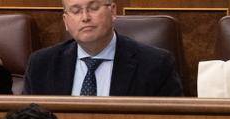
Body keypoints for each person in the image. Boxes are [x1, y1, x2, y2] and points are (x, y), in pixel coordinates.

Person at [21, 0, 181, 96]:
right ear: (65, 21)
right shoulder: (41, 65)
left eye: (93, 8)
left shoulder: (156, 65)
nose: (85, 17)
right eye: (76, 11)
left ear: (112, 11)